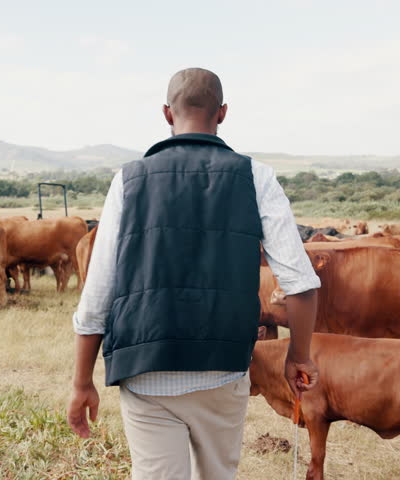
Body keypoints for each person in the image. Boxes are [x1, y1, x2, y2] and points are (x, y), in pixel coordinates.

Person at [67, 67, 321, 479]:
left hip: (145, 370)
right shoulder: (256, 176)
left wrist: (82, 383)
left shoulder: (128, 180)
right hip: (223, 370)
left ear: (167, 114)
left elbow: (97, 296)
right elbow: (301, 283)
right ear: (222, 113)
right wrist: (299, 356)